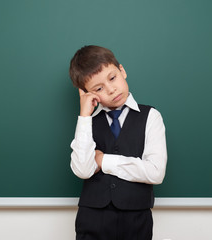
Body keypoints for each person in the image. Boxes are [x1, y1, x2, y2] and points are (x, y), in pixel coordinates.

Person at [69, 45, 167, 240]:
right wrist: (84, 116)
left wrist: (103, 160)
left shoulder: (150, 117)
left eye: (112, 78)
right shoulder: (87, 124)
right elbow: (82, 169)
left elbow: (155, 172)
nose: (111, 89)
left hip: (137, 220)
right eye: (99, 88)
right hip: (91, 220)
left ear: (122, 70)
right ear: (88, 93)